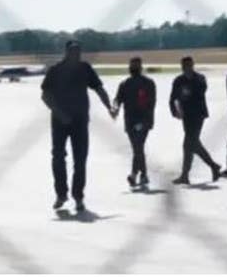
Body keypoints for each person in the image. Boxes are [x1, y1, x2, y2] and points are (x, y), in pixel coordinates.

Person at [41, 40, 116, 212]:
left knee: (80, 160)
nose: (76, 54)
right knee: (58, 157)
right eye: (73, 51)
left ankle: (78, 196)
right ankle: (61, 194)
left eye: (78, 51)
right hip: (60, 122)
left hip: (80, 121)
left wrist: (109, 107)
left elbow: (99, 88)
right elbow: (45, 95)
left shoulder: (85, 69)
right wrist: (60, 114)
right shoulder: (56, 70)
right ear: (66, 52)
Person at [170, 56, 221, 184]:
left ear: (193, 65)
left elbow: (201, 90)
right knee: (192, 144)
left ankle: (185, 175)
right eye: (184, 66)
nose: (187, 68)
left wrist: (188, 87)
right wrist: (175, 111)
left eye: (189, 65)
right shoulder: (178, 80)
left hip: (198, 115)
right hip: (186, 116)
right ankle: (213, 166)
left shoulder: (200, 78)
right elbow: (172, 98)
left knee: (189, 143)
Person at [114, 57, 156, 187]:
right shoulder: (125, 84)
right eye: (132, 66)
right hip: (130, 121)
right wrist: (115, 109)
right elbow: (118, 99)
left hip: (143, 120)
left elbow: (151, 103)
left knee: (138, 147)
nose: (133, 69)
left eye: (136, 66)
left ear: (140, 67)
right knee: (137, 148)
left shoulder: (148, 83)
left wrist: (144, 121)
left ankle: (136, 174)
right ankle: (141, 175)